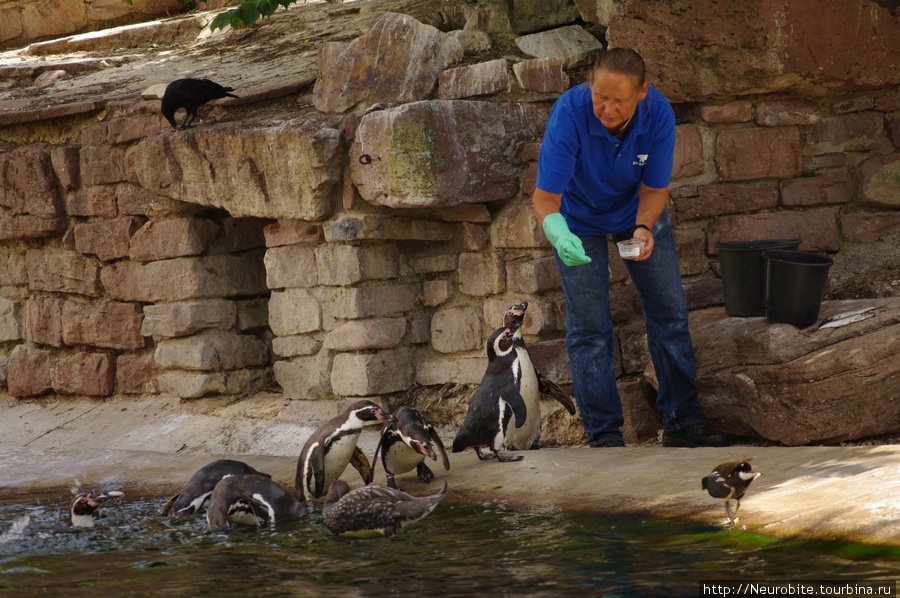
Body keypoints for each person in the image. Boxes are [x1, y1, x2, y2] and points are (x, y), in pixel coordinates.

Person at [531, 47, 728, 448]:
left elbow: (655, 188)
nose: (606, 108)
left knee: (669, 312)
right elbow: (544, 198)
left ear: (642, 93)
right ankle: (603, 435)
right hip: (576, 219)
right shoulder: (569, 115)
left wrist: (643, 228)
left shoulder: (658, 115)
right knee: (589, 327)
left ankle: (682, 421)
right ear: (590, 86)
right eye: (599, 96)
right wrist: (558, 233)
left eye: (618, 99)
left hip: (636, 213)